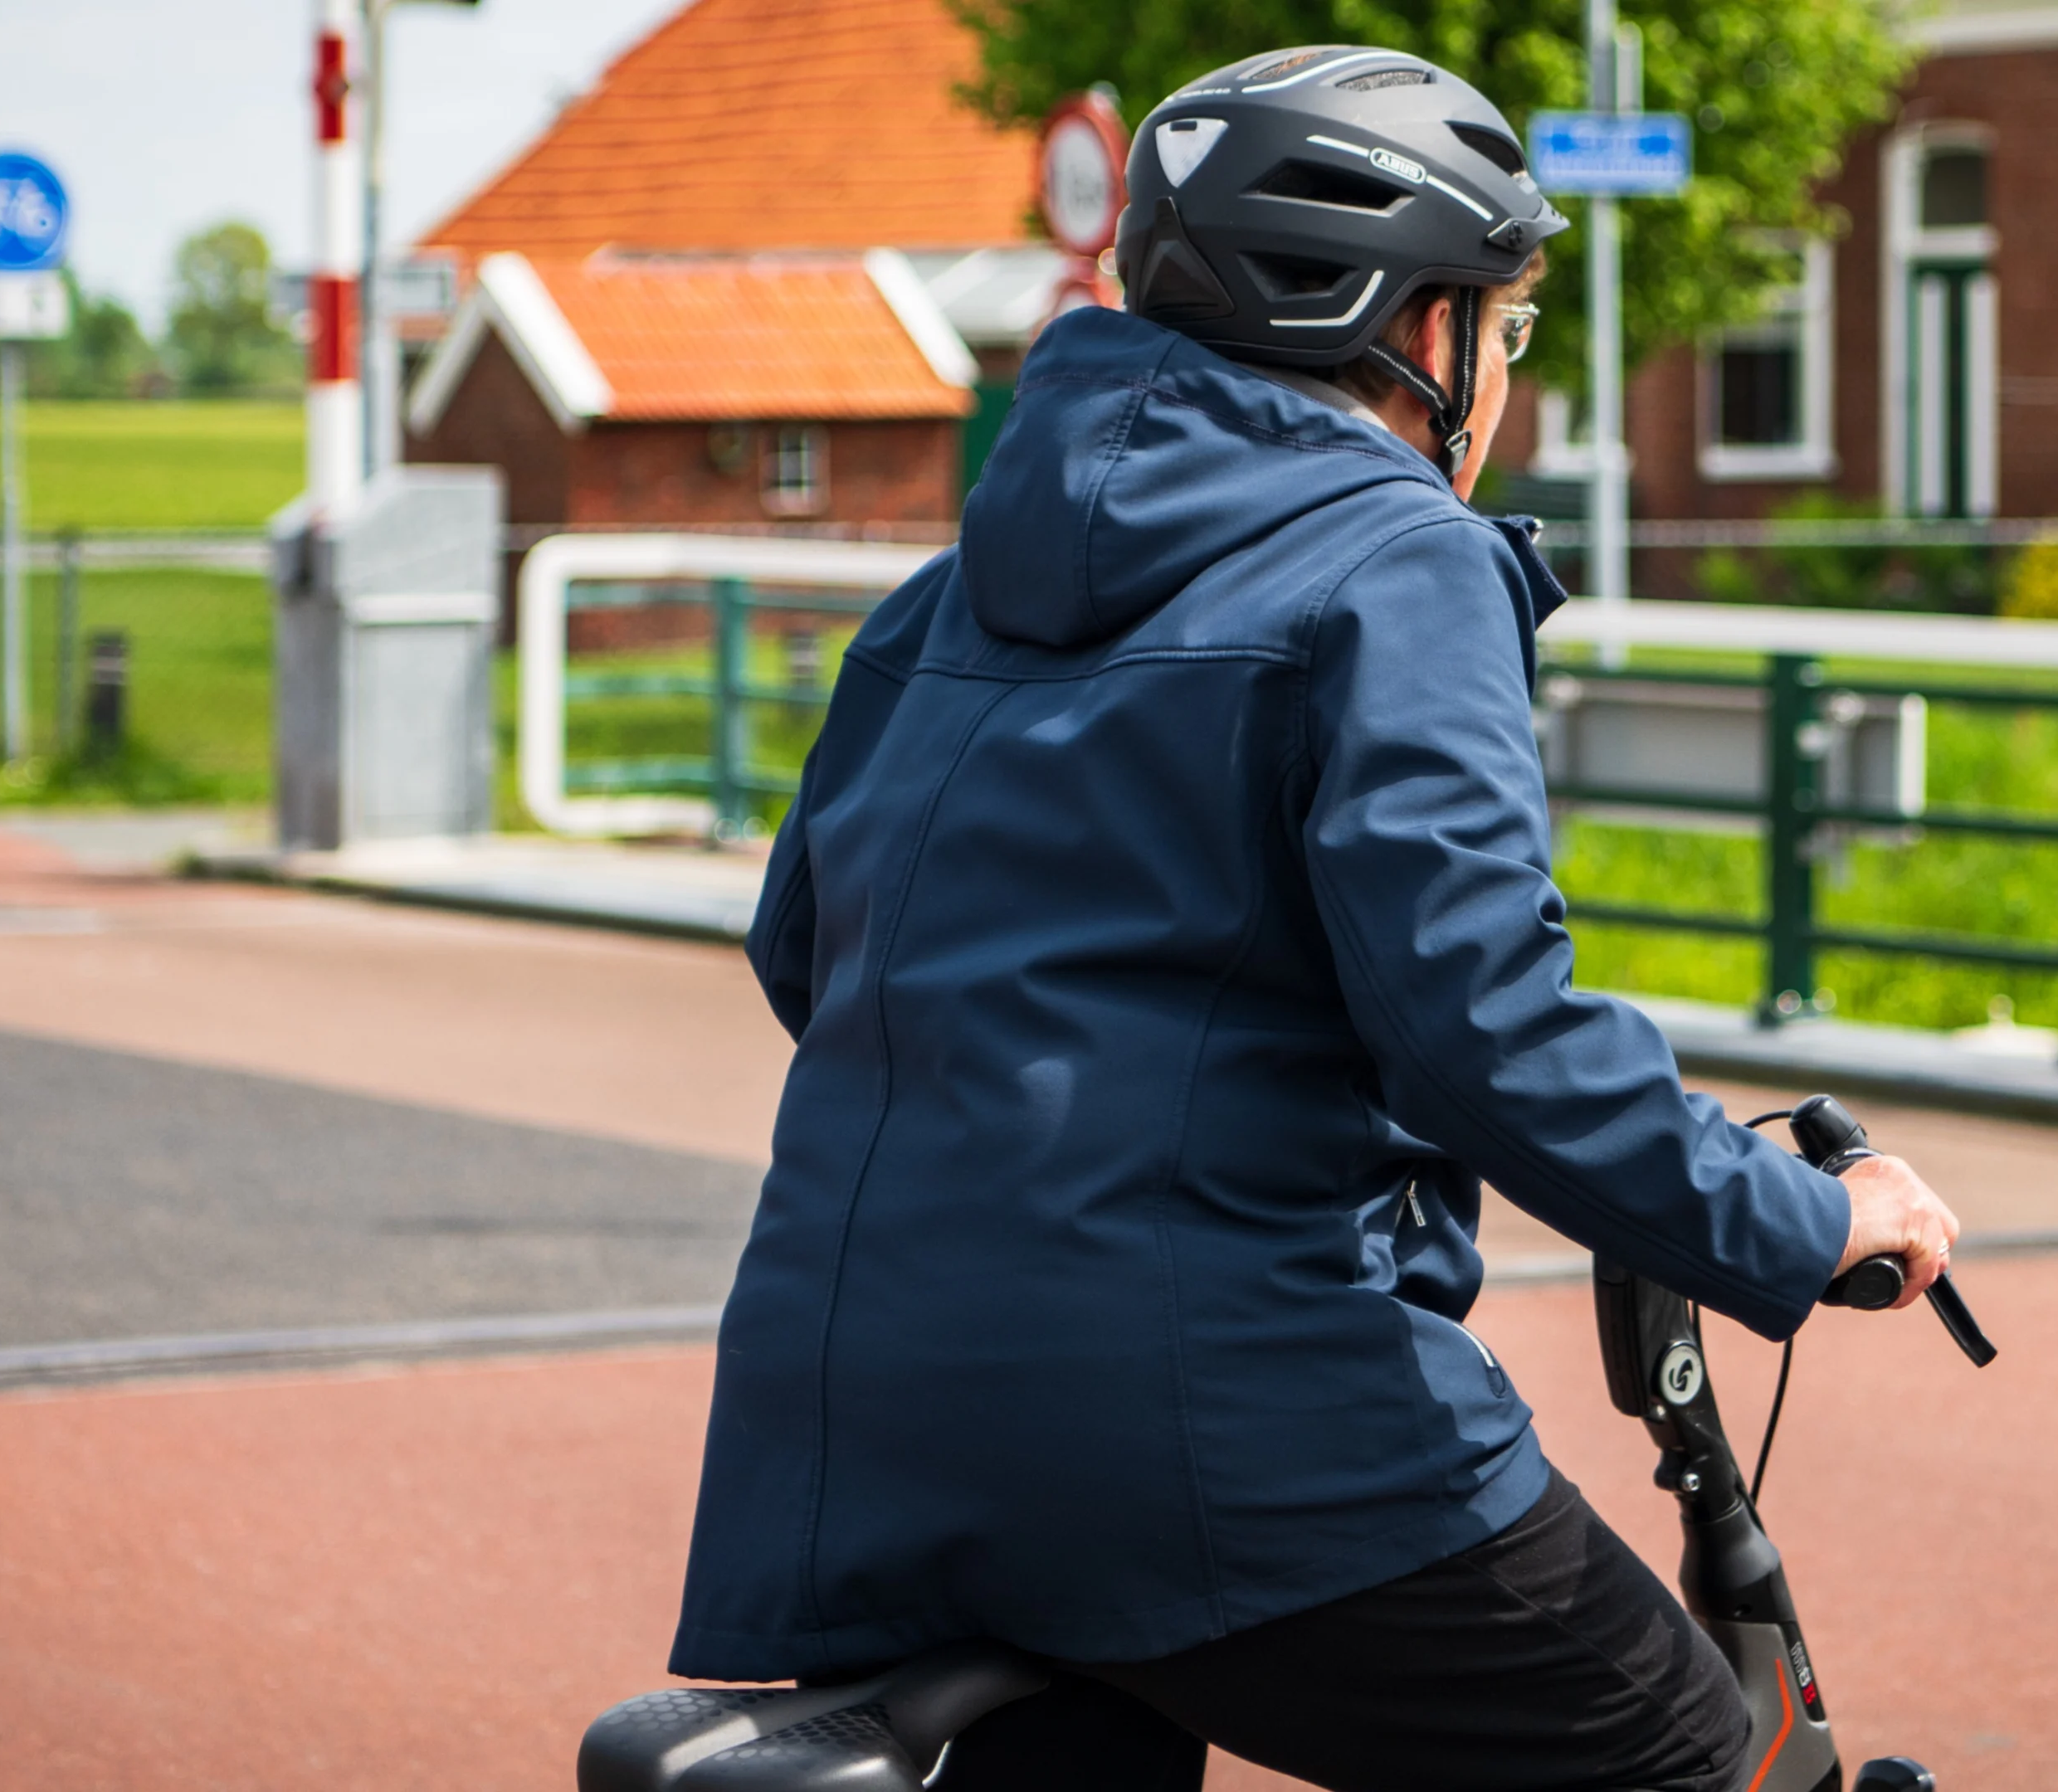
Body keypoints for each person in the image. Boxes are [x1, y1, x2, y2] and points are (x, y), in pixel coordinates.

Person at [667, 45, 1960, 1792]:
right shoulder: (1397, 561)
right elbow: (1484, 1025)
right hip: (1223, 1426)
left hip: (866, 1424)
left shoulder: (943, 593)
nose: (1506, 376)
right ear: (1419, 333)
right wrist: (1797, 1222)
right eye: (1506, 331)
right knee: (1678, 1756)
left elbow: (808, 956)